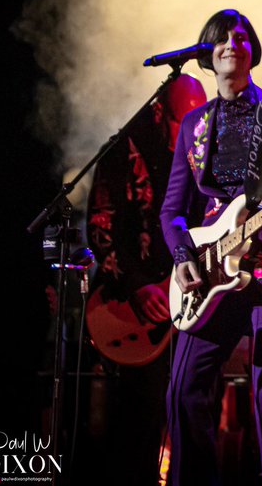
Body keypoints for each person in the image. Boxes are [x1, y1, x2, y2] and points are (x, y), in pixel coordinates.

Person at [161, 9, 262, 486]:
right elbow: (172, 209)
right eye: (221, 38)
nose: (232, 42)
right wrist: (184, 257)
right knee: (183, 389)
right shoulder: (193, 125)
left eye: (240, 36)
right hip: (212, 268)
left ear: (252, 48)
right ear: (207, 55)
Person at [86, 73, 206, 485]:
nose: (194, 130)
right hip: (136, 308)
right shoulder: (122, 152)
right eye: (183, 121)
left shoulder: (205, 157)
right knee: (139, 419)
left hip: (192, 308)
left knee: (195, 408)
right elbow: (101, 228)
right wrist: (137, 285)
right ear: (159, 113)